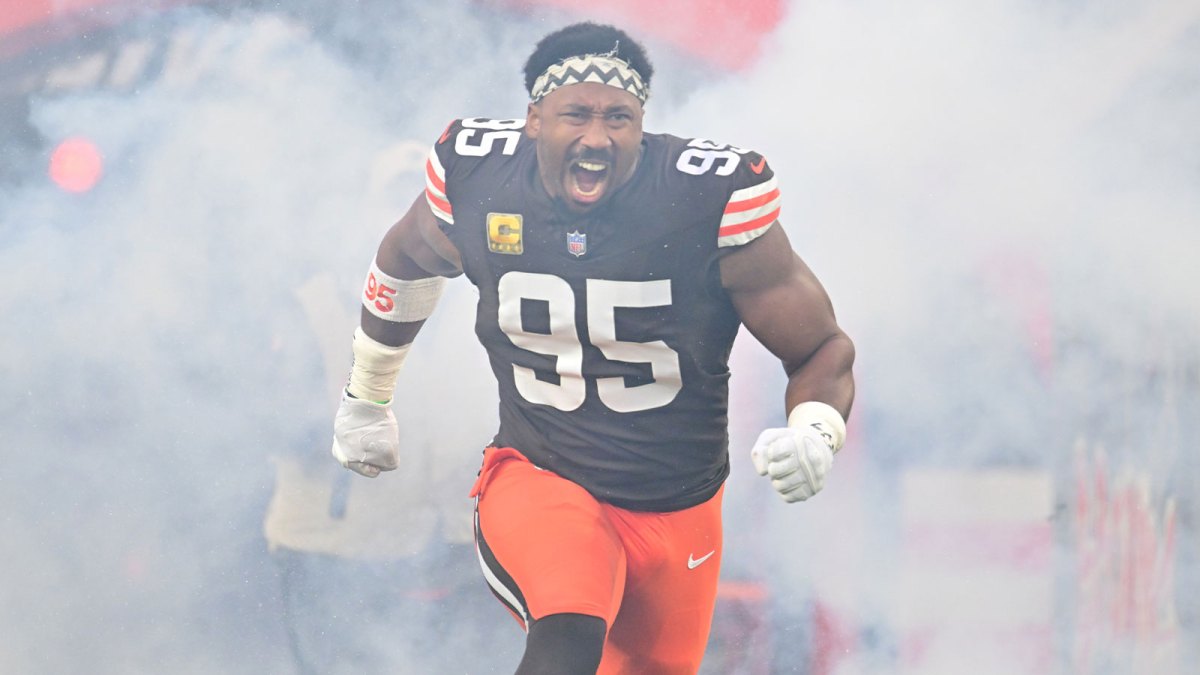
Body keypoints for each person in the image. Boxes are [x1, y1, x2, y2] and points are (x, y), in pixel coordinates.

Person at [330, 21, 855, 675]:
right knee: (569, 627)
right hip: (542, 474)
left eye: (619, 118)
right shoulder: (483, 181)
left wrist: (815, 426)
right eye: (575, 114)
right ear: (533, 121)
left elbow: (819, 346)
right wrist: (367, 397)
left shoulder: (702, 199)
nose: (597, 137)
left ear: (642, 123)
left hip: (679, 508)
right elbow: (404, 261)